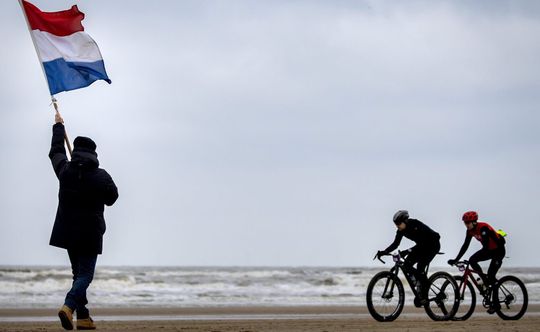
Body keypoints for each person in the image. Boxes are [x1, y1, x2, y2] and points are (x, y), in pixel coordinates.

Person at [49, 112, 118, 330]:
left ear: (76, 151)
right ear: (94, 154)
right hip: (89, 234)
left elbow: (56, 152)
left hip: (67, 231)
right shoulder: (101, 175)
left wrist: (58, 127)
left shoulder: (65, 171)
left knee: (78, 274)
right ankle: (69, 306)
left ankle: (84, 317)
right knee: (85, 275)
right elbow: (112, 198)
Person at [377, 210, 441, 303]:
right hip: (421, 246)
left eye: (399, 223)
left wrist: (407, 251)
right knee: (406, 265)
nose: (397, 226)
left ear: (405, 221)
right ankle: (418, 282)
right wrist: (384, 251)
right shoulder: (400, 230)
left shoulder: (415, 224)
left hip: (433, 244)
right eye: (395, 224)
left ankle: (424, 290)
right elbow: (395, 244)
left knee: (420, 266)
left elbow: (424, 242)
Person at [447, 211, 506, 313]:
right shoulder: (469, 231)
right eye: (465, 223)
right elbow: (465, 245)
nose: (466, 225)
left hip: (498, 251)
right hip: (489, 250)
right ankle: (485, 280)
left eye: (467, 223)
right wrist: (456, 259)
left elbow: (486, 247)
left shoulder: (483, 228)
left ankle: (496, 305)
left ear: (474, 222)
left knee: (491, 277)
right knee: (472, 261)